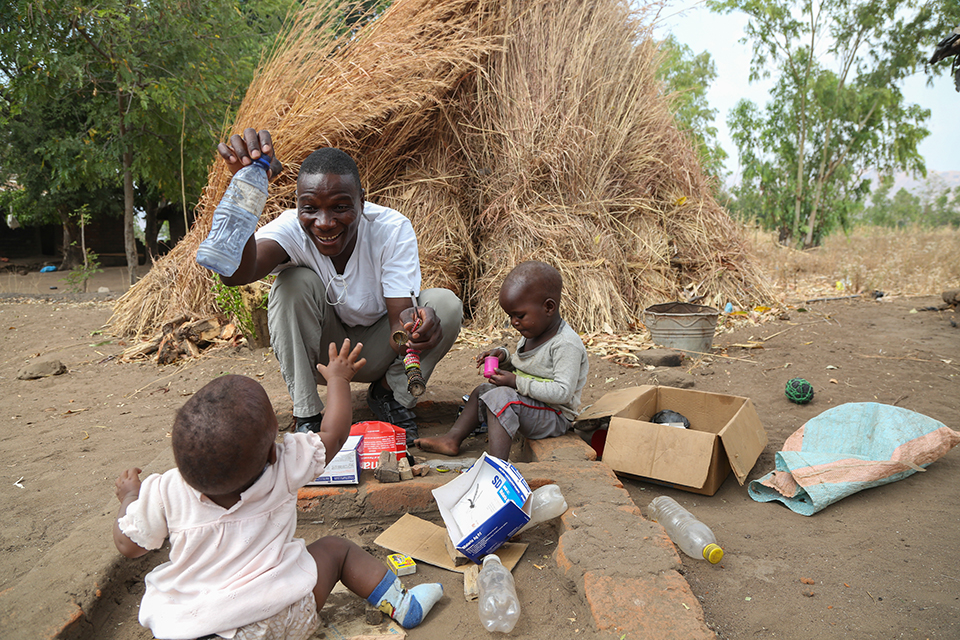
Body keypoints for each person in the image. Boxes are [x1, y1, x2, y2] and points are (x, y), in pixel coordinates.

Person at [111, 339, 444, 640]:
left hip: (194, 629)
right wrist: (338, 381)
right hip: (283, 621)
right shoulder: (283, 465)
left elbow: (129, 545)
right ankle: (403, 605)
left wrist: (129, 497)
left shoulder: (164, 489)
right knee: (336, 550)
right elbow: (335, 435)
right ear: (272, 450)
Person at [215, 129, 463, 445]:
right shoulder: (291, 230)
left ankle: (390, 396)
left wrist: (416, 330)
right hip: (322, 356)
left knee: (446, 305)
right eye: (311, 208)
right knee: (292, 284)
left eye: (340, 207)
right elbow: (234, 275)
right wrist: (245, 196)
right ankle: (307, 415)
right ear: (297, 205)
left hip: (375, 352)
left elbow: (398, 331)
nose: (325, 222)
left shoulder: (390, 229)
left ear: (362, 200)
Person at [415, 261, 589, 461]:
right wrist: (504, 358)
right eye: (510, 316)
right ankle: (452, 440)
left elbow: (563, 393)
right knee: (483, 391)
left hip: (554, 417)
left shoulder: (566, 344)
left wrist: (515, 383)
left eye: (519, 315)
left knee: (502, 397)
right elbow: (528, 366)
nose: (514, 322)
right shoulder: (533, 332)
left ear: (549, 307)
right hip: (534, 406)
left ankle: (498, 465)